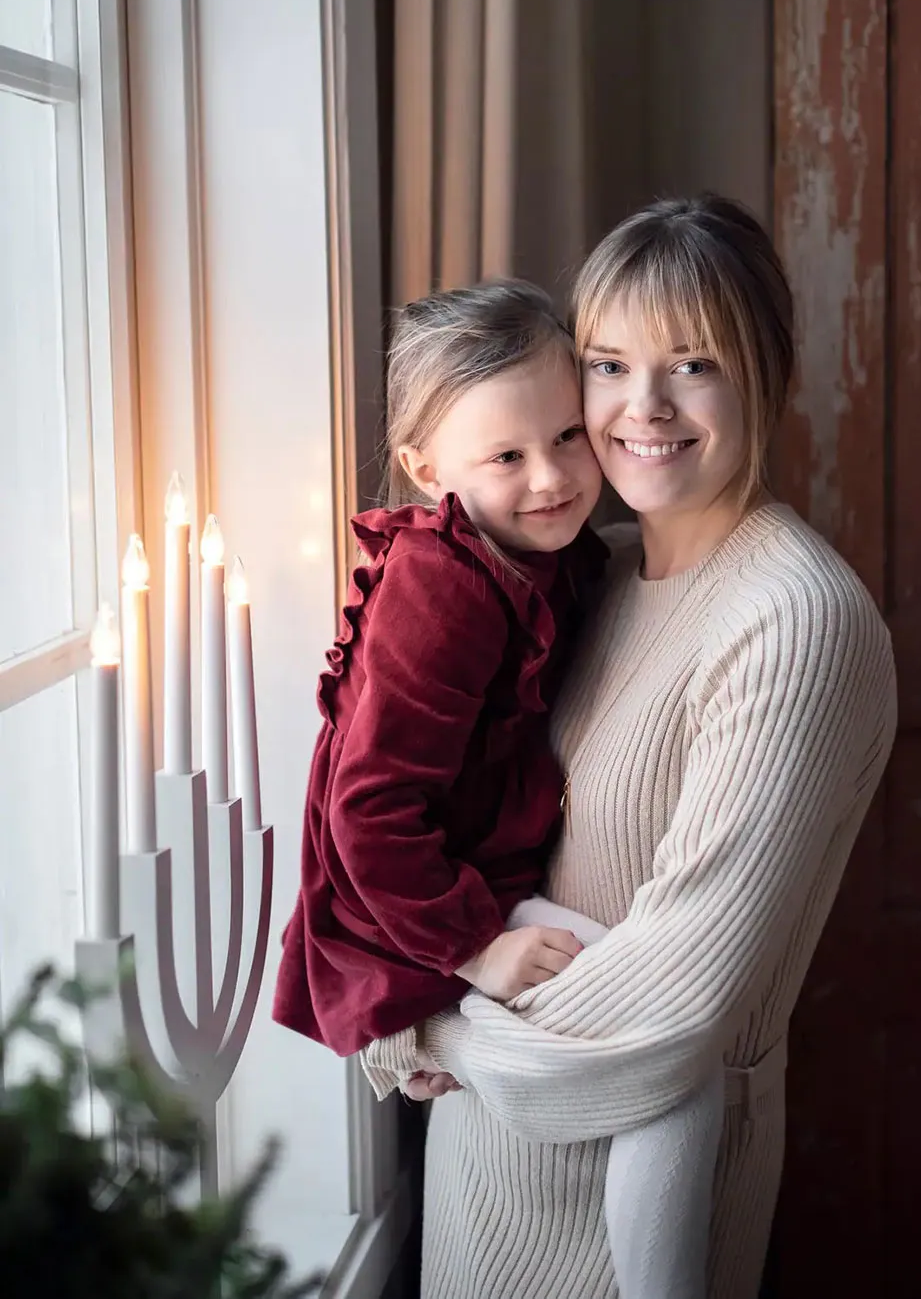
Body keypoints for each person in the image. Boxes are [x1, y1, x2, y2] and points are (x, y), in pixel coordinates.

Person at [361, 197, 898, 1299]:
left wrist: (423, 1025)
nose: (641, 408)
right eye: (607, 364)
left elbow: (673, 1001)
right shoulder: (580, 573)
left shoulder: (793, 617)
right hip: (484, 1169)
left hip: (629, 1209)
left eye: (692, 363)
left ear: (767, 373)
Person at [273, 279, 725, 1299]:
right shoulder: (442, 589)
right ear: (426, 468)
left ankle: (437, 1042)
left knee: (668, 1062)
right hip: (417, 902)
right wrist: (476, 947)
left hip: (460, 879)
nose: (554, 477)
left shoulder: (539, 555)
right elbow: (368, 811)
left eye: (567, 435)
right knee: (673, 1065)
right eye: (507, 456)